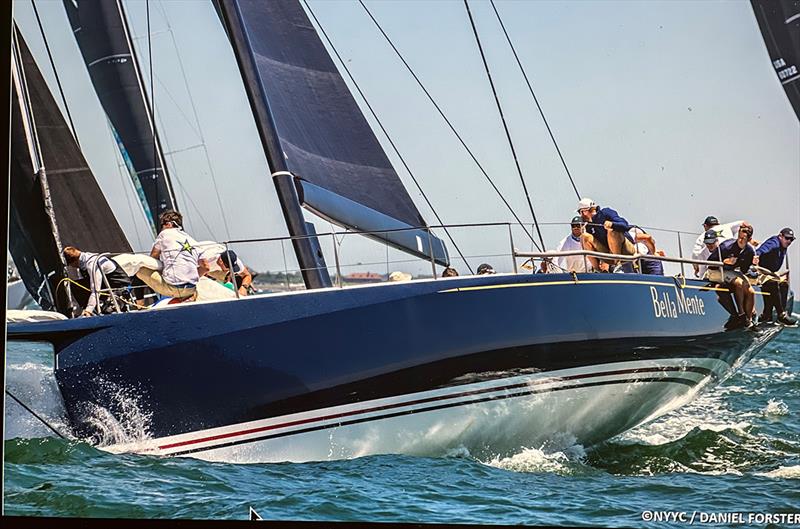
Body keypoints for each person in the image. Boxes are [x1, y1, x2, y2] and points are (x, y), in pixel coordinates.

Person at [136, 210, 200, 300]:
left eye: (162, 225)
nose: (161, 229)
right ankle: (187, 297)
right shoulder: (190, 239)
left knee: (139, 268)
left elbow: (152, 258)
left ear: (168, 224)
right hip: (192, 288)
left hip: (174, 288)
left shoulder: (164, 234)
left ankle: (140, 304)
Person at [707, 223, 757, 329]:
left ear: (749, 239)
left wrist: (752, 263)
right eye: (739, 237)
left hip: (734, 271)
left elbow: (744, 269)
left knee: (751, 291)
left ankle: (749, 320)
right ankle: (741, 314)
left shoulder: (750, 251)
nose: (741, 240)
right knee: (738, 283)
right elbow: (710, 262)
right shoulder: (726, 246)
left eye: (744, 238)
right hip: (720, 270)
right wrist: (725, 261)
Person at [63, 246, 132, 316]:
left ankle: (95, 312)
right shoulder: (81, 267)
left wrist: (89, 310)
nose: (71, 267)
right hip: (106, 288)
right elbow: (86, 288)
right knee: (76, 286)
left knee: (107, 311)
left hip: (120, 288)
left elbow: (95, 289)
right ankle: (90, 312)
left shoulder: (92, 264)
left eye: (70, 265)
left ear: (74, 261)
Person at [576, 198, 636, 272]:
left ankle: (617, 264)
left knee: (612, 231)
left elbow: (625, 225)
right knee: (584, 237)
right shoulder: (588, 225)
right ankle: (597, 270)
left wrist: (612, 224)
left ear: (584, 211)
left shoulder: (605, 212)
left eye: (580, 212)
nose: (581, 216)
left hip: (625, 250)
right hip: (608, 254)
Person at [691, 216, 758, 277]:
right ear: (718, 224)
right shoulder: (726, 227)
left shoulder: (701, 237)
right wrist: (748, 238)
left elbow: (695, 254)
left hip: (724, 260)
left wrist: (696, 268)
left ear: (705, 226)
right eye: (708, 243)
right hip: (731, 257)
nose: (710, 245)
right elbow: (744, 223)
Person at [755, 227, 796, 325]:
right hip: (761, 272)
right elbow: (761, 250)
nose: (789, 241)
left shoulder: (783, 246)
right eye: (787, 238)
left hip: (771, 273)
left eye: (791, 239)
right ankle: (779, 314)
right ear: (780, 236)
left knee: (784, 284)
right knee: (772, 283)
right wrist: (756, 256)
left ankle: (778, 315)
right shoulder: (774, 243)